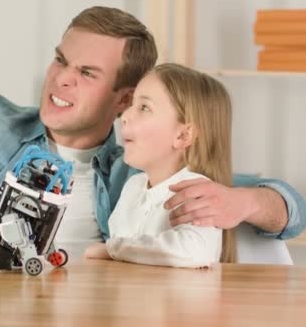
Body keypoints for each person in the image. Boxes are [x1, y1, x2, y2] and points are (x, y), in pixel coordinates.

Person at [0, 0, 306, 257]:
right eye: (61, 60)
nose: (60, 80)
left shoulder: (138, 173)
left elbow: (291, 207)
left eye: (86, 73)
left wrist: (246, 201)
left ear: (124, 98)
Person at [84, 63, 236, 267]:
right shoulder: (133, 187)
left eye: (144, 107)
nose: (126, 116)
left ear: (183, 135)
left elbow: (194, 251)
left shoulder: (198, 193)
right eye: (132, 105)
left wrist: (113, 250)